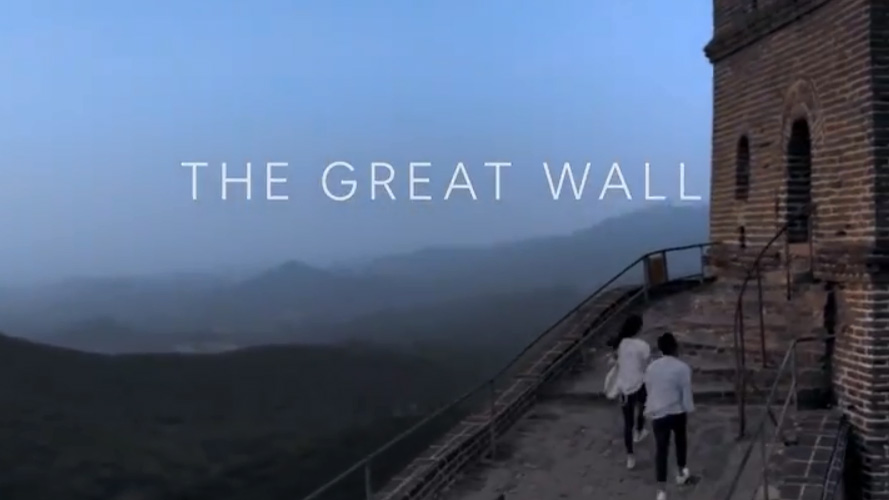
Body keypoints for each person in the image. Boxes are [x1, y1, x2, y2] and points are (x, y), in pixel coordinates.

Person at [644, 332, 694, 500]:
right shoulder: (682, 368)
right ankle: (681, 472)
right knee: (680, 441)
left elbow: (649, 389)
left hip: (659, 412)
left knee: (661, 450)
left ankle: (661, 490)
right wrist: (688, 409)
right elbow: (686, 394)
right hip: (677, 411)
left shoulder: (651, 368)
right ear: (675, 347)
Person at [608, 313, 651, 470]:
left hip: (624, 388)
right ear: (638, 329)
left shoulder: (620, 343)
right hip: (639, 383)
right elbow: (646, 364)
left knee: (627, 423)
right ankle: (639, 431)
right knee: (644, 406)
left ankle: (630, 456)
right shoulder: (642, 346)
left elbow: (615, 360)